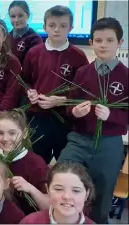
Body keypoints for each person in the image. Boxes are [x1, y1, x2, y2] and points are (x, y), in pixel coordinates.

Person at [58, 17, 127, 224]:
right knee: (63, 174)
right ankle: (66, 218)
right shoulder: (83, 73)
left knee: (103, 191)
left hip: (110, 142)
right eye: (98, 40)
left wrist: (111, 116)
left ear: (120, 43)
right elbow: (70, 106)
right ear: (91, 43)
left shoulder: (126, 76)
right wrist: (75, 112)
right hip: (79, 138)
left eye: (109, 40)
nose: (103, 45)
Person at [22, 5, 89, 164]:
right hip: (38, 116)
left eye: (63, 26)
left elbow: (83, 89)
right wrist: (29, 92)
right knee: (38, 162)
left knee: (65, 163)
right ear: (44, 27)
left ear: (71, 28)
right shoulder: (34, 53)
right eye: (52, 25)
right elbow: (26, 80)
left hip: (64, 119)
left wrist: (62, 100)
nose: (57, 30)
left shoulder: (78, 56)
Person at [0, 110, 49, 215]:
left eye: (12, 133)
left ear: (24, 133)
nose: (5, 138)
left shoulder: (36, 164)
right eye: (0, 133)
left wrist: (30, 188)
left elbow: (48, 207)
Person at [20, 161, 95, 224]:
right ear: (48, 190)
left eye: (76, 191)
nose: (67, 196)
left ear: (87, 194)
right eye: (59, 189)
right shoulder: (30, 222)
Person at [7, 1, 43, 65]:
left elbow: (35, 65)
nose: (16, 20)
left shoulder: (35, 39)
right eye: (13, 16)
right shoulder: (6, 37)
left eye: (20, 16)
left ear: (28, 15)